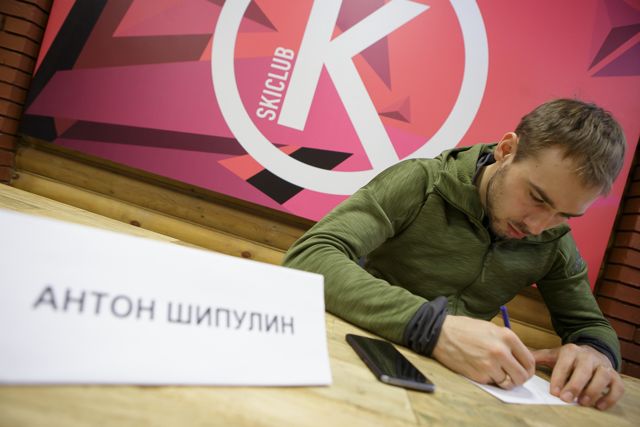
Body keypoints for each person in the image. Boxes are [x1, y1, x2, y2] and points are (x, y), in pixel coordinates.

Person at [283, 99, 627, 410]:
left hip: (453, 395)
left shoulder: (553, 239)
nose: (538, 226)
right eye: (536, 197)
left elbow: (590, 325)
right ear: (506, 150)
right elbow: (309, 256)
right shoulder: (422, 181)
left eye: (565, 214)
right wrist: (432, 327)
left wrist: (596, 354)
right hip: (358, 361)